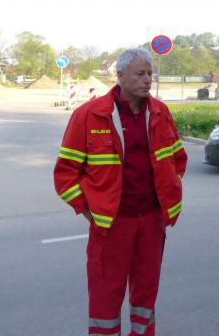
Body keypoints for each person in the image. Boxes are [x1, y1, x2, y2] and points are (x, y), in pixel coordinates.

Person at [54, 48, 187, 335]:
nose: (147, 79)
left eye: (150, 73)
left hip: (151, 220)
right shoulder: (88, 115)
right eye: (140, 74)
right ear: (120, 76)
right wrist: (88, 209)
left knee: (146, 292)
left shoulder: (161, 112)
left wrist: (168, 194)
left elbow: (178, 159)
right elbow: (65, 174)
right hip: (112, 224)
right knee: (105, 294)